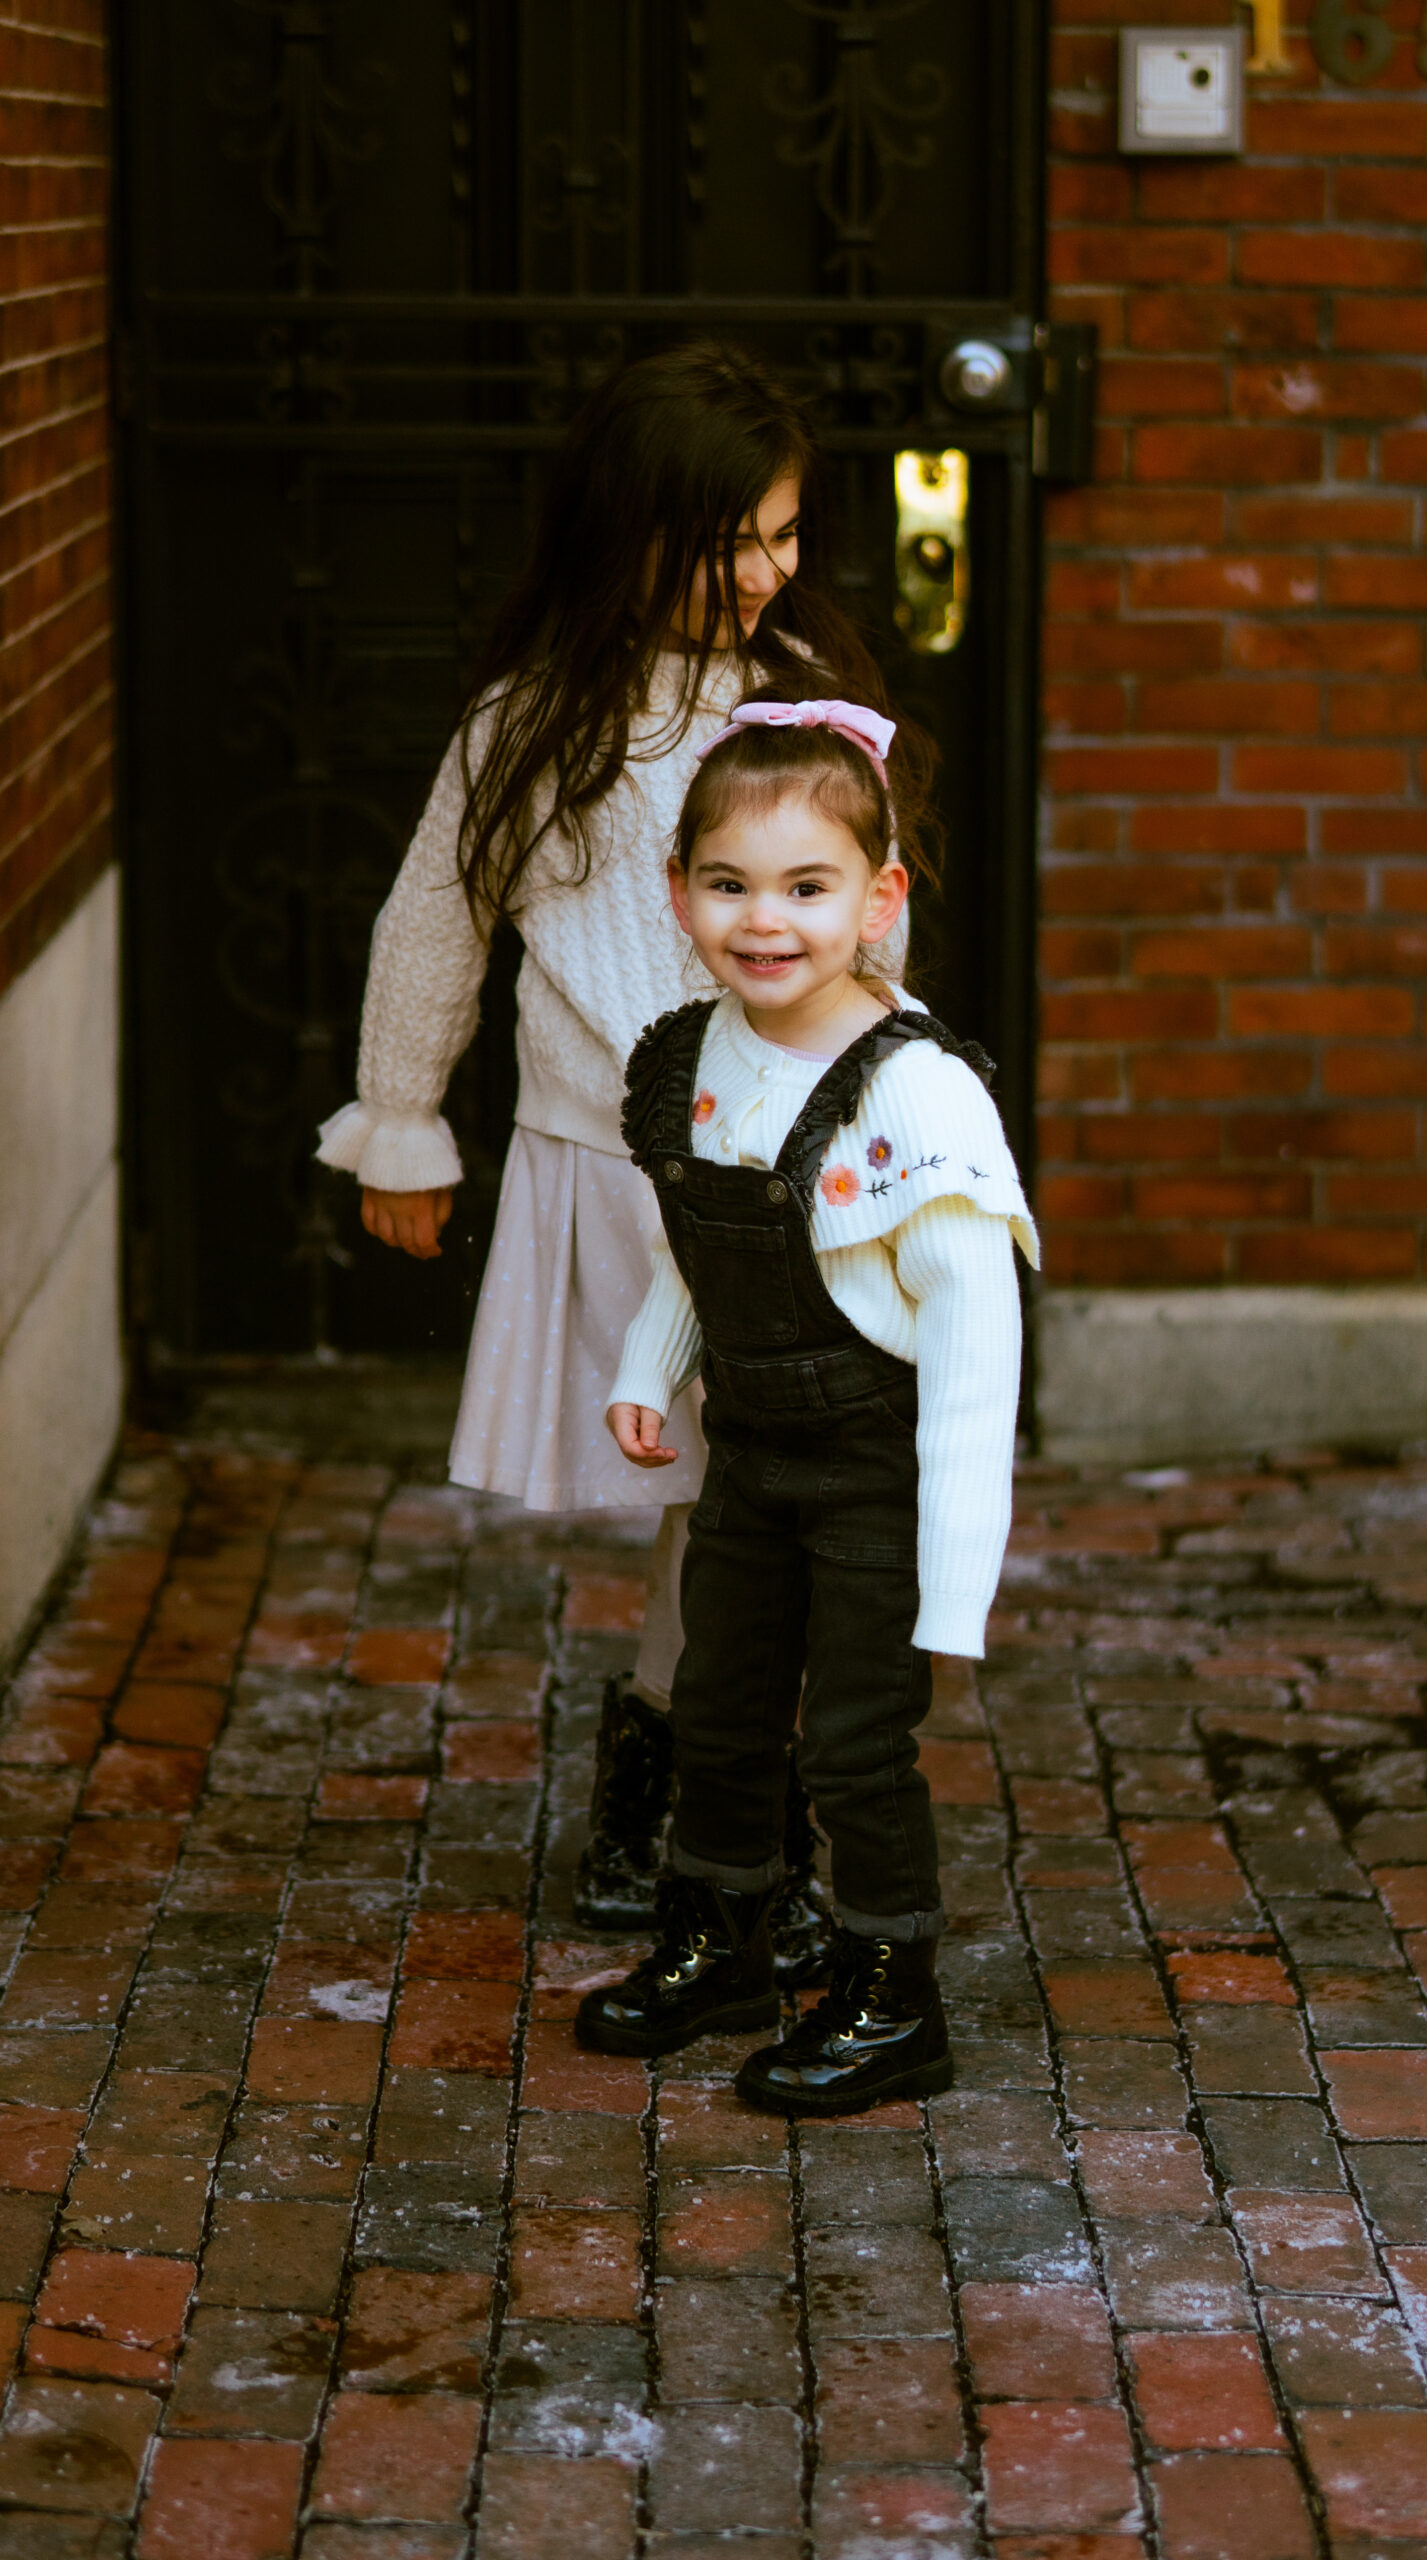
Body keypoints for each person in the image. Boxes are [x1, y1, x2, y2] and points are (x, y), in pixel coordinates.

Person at [315, 342, 920, 1960]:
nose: (762, 571)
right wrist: (404, 1123)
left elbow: (874, 907)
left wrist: (901, 1111)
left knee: (763, 1501)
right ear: (623, 528)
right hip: (619, 1170)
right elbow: (432, 928)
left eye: (784, 534)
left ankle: (710, 1795)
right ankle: (676, 1804)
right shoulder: (535, 722)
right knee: (711, 1497)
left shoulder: (802, 698)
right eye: (729, 539)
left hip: (802, 1172)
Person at [574, 696, 1038, 2116]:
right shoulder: (692, 1054)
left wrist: (953, 1601)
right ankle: (724, 1932)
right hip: (754, 1457)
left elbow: (974, 1369)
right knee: (718, 1702)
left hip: (875, 1468)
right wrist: (651, 1367)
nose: (762, 921)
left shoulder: (917, 1096)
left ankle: (894, 1993)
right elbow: (699, 1247)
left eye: (806, 886)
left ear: (879, 898)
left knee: (851, 1737)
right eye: (728, 884)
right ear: (679, 894)